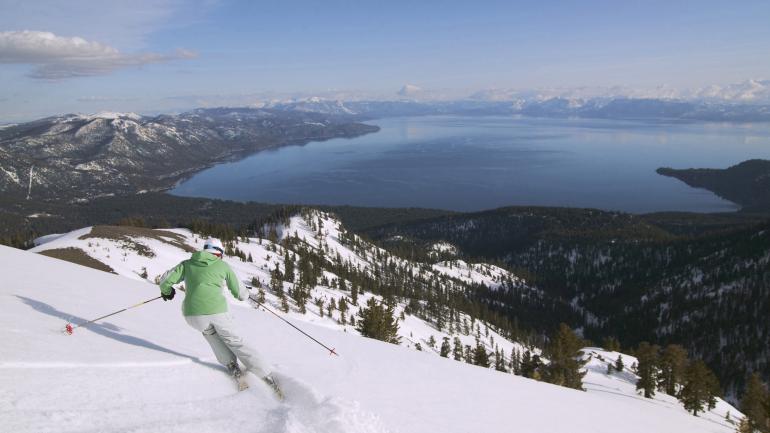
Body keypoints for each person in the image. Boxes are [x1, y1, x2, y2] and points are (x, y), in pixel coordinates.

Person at [159, 237, 279, 393]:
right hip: (217, 312)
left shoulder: (187, 264)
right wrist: (246, 295)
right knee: (234, 340)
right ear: (219, 253)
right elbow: (240, 293)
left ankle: (232, 366)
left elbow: (165, 281)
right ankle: (266, 376)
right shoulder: (223, 266)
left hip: (193, 315)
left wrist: (167, 292)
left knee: (211, 335)